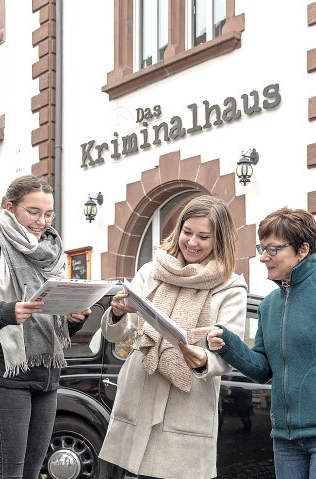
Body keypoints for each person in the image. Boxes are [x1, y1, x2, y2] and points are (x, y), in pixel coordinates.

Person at [195, 207, 316, 479]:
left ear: (302, 249)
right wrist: (227, 342)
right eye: (262, 248)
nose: (263, 257)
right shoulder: (269, 305)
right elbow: (262, 369)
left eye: (273, 249)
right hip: (285, 439)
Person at [98, 195, 248, 479]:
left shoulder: (231, 287)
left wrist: (204, 359)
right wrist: (117, 313)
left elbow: (228, 352)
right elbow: (118, 333)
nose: (192, 242)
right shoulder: (151, 271)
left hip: (186, 402)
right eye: (187, 232)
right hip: (140, 392)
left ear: (220, 240)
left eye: (203, 236)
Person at [0, 175, 91, 479]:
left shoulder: (50, 252)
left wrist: (69, 320)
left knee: (31, 473)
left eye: (48, 213)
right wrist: (6, 312)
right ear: (10, 207)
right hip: (2, 380)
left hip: (46, 379)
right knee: (8, 474)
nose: (42, 221)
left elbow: (49, 321)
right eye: (33, 212)